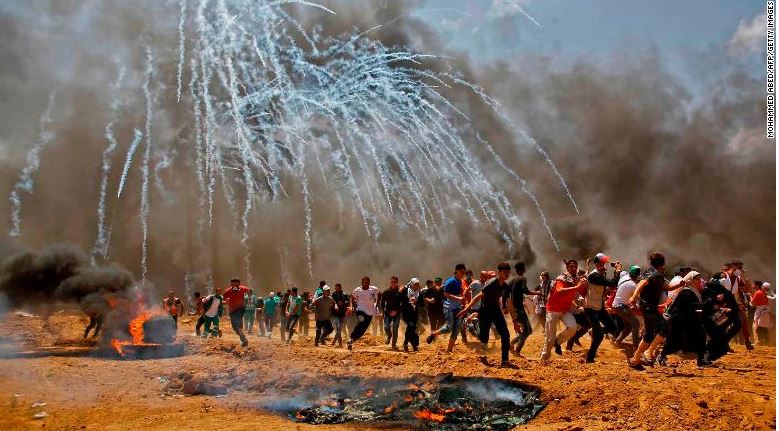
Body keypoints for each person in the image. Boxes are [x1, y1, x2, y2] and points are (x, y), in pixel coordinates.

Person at [458, 262, 512, 367]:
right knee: (484, 338)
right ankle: (473, 324)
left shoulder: (505, 286)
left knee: (505, 334)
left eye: (508, 272)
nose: (507, 274)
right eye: (505, 272)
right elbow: (478, 296)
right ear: (499, 272)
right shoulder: (491, 283)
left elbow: (507, 301)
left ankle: (505, 361)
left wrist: (514, 320)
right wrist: (467, 308)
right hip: (485, 311)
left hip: (496, 310)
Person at [628, 252, 674, 369]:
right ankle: (648, 352)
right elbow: (642, 283)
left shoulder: (651, 272)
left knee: (648, 335)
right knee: (665, 327)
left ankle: (635, 359)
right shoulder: (655, 274)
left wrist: (681, 284)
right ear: (662, 263)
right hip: (649, 307)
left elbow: (668, 287)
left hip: (647, 306)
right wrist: (634, 296)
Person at [657, 271, 711, 367]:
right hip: (679, 321)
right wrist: (706, 304)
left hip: (689, 320)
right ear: (690, 280)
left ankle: (701, 359)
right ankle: (661, 356)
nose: (699, 281)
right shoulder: (686, 292)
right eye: (697, 279)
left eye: (699, 278)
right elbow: (691, 306)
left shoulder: (694, 291)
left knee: (700, 336)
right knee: (676, 342)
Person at [541, 259, 587, 363]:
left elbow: (574, 293)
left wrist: (583, 303)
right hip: (552, 309)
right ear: (567, 268)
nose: (573, 268)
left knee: (573, 327)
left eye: (575, 266)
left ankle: (557, 342)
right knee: (549, 338)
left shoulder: (576, 279)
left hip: (565, 309)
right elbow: (559, 291)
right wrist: (576, 287)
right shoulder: (561, 278)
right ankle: (544, 358)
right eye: (571, 267)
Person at [582, 253, 621, 363]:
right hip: (590, 307)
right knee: (599, 336)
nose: (606, 263)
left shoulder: (601, 274)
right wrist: (617, 270)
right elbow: (612, 283)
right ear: (597, 263)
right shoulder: (594, 276)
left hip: (599, 306)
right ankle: (590, 357)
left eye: (606, 261)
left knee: (613, 327)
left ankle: (593, 331)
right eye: (603, 262)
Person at [426, 263, 467, 353]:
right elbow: (446, 293)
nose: (463, 274)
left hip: (458, 308)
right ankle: (433, 334)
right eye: (462, 272)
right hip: (449, 307)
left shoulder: (462, 282)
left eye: (464, 272)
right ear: (456, 271)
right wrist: (458, 298)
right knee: (449, 328)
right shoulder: (451, 281)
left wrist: (464, 302)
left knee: (456, 329)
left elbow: (463, 293)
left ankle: (449, 350)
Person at [504, 262, 540, 356]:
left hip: (514, 310)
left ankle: (514, 346)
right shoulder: (523, 279)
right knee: (527, 331)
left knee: (526, 330)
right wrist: (537, 293)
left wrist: (505, 307)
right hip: (519, 309)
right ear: (524, 270)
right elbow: (525, 291)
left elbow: (505, 294)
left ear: (515, 270)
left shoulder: (511, 281)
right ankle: (514, 347)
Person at [721, 261, 754, 350]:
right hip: (725, 304)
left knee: (743, 321)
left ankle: (747, 341)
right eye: (739, 268)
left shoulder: (738, 278)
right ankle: (724, 344)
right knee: (724, 324)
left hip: (736, 303)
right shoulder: (724, 276)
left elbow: (743, 288)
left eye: (741, 268)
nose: (740, 270)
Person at [346, 276, 380, 351]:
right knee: (361, 320)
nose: (366, 283)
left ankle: (351, 340)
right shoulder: (358, 290)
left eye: (368, 282)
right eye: (365, 282)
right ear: (362, 282)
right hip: (360, 310)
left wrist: (377, 303)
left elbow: (379, 294)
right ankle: (351, 337)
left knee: (363, 330)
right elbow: (352, 297)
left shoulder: (373, 289)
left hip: (370, 313)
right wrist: (351, 307)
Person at [612, 266, 641, 352]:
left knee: (629, 326)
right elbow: (638, 300)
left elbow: (620, 273)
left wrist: (618, 268)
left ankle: (617, 341)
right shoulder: (633, 286)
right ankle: (635, 347)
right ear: (637, 276)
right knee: (636, 324)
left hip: (616, 305)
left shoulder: (624, 277)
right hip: (621, 307)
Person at [222, 278, 250, 346]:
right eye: (233, 285)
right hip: (232, 310)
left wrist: (248, 297)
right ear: (231, 284)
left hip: (241, 308)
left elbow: (249, 292)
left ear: (239, 284)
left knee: (238, 320)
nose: (235, 286)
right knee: (234, 327)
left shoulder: (243, 289)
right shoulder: (227, 291)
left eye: (236, 285)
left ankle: (243, 338)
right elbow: (223, 301)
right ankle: (243, 338)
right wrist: (225, 302)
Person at [380, 276, 403, 350]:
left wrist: (397, 311)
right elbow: (382, 303)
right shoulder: (386, 292)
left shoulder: (400, 292)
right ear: (390, 282)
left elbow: (402, 303)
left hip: (397, 313)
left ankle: (394, 344)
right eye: (392, 281)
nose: (393, 283)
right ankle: (389, 335)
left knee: (395, 328)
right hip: (388, 312)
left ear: (397, 283)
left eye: (395, 282)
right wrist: (382, 312)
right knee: (386, 327)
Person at [400, 278, 422, 351]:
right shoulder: (405, 291)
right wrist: (400, 291)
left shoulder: (419, 293)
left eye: (417, 284)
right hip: (406, 313)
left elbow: (422, 304)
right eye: (415, 284)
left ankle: (407, 343)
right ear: (412, 284)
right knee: (411, 326)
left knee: (412, 328)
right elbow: (399, 298)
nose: (416, 286)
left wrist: (417, 301)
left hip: (414, 314)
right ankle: (412, 344)